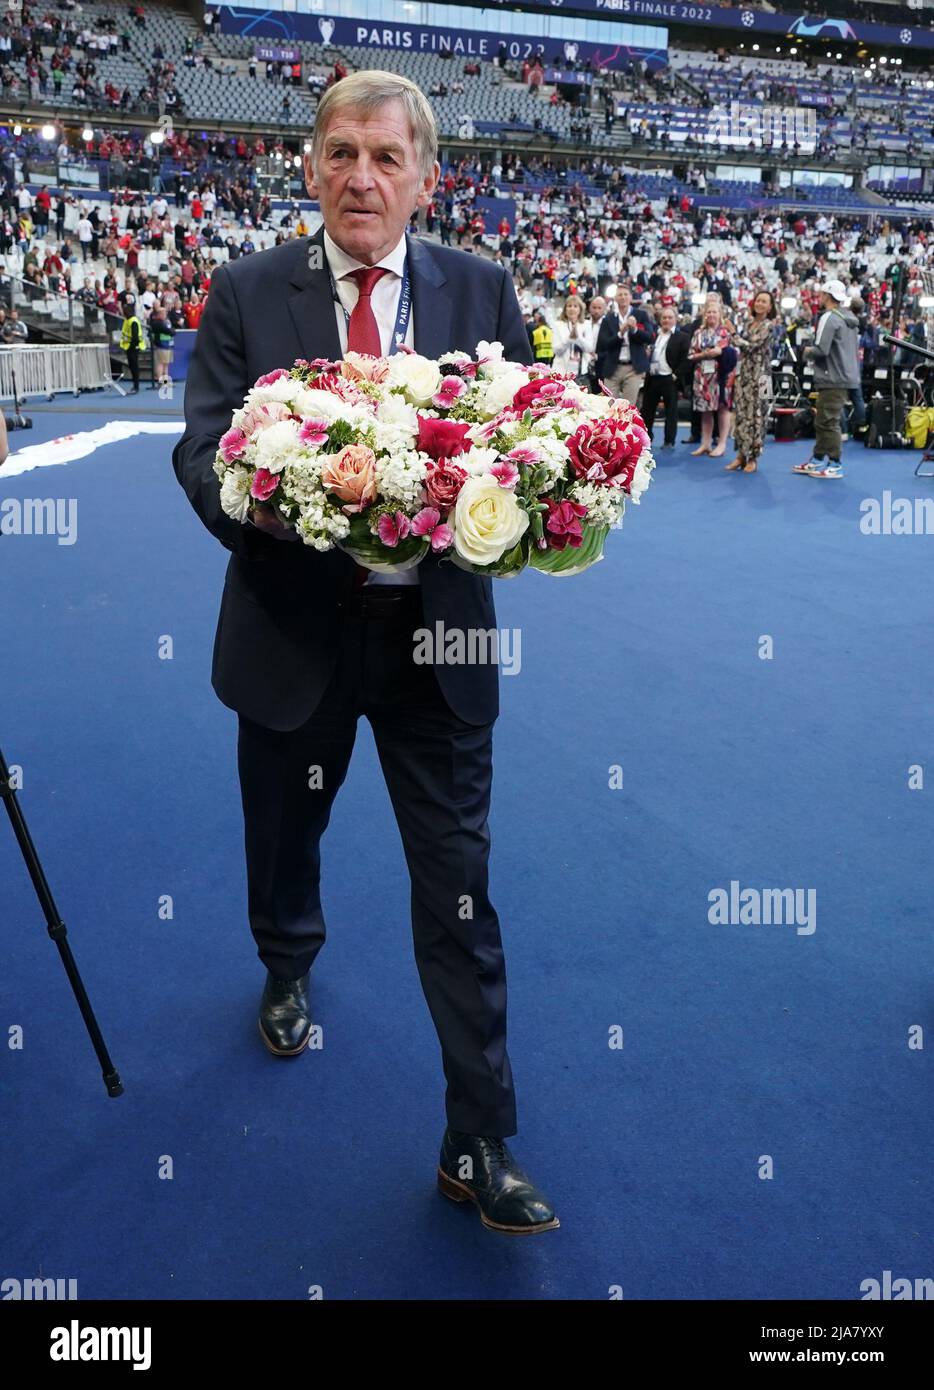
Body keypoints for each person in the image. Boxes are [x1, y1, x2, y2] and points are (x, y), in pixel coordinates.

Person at [172, 69, 558, 1236]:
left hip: (436, 642)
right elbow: (200, 454)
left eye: (387, 158)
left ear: (427, 179)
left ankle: (476, 1135)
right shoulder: (246, 291)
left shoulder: (482, 292)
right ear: (310, 167)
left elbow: (533, 441)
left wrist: (535, 500)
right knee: (287, 830)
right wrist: (270, 501)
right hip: (293, 633)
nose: (361, 176)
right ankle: (286, 958)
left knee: (459, 890)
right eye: (341, 152)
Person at [793, 279, 860, 480]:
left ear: (827, 296)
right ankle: (818, 459)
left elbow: (821, 349)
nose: (819, 297)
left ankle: (834, 462)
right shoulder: (848, 318)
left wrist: (805, 351)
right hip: (844, 375)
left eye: (822, 294)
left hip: (832, 376)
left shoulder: (829, 318)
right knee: (824, 421)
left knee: (828, 422)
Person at [726, 290, 776, 474]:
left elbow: (751, 345)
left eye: (764, 301)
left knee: (757, 417)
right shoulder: (748, 323)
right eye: (758, 300)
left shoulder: (768, 325)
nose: (760, 304)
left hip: (763, 378)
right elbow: (743, 349)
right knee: (741, 415)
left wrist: (733, 334)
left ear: (770, 307)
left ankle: (753, 458)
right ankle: (740, 455)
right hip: (745, 375)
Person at [595, 285, 656, 404]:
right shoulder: (608, 318)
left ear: (631, 297)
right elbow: (604, 344)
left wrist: (634, 330)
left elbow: (650, 337)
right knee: (609, 405)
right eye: (620, 295)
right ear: (615, 298)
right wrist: (620, 333)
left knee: (628, 407)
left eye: (625, 294)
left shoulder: (641, 315)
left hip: (633, 367)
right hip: (613, 367)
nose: (623, 297)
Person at [688, 300, 733, 457]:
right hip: (702, 376)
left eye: (714, 312)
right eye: (709, 312)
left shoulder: (726, 332)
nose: (711, 315)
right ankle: (705, 443)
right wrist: (704, 355)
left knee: (722, 409)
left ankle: (721, 443)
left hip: (722, 376)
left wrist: (721, 352)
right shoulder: (698, 333)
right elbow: (691, 355)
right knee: (704, 411)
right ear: (704, 315)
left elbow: (735, 353)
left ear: (720, 314)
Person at [640, 305, 689, 450]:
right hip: (653, 377)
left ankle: (669, 440)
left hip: (669, 378)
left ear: (675, 320)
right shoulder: (654, 336)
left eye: (670, 317)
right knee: (647, 410)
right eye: (664, 318)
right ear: (660, 320)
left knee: (671, 411)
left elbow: (686, 359)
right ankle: (646, 438)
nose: (666, 320)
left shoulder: (682, 337)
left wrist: (675, 375)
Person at [550, 294, 594, 379]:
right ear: (565, 309)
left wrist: (578, 338)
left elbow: (589, 348)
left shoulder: (586, 324)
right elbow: (556, 350)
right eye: (569, 306)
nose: (572, 309)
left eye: (575, 306)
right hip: (561, 372)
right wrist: (569, 339)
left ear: (580, 309)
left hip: (580, 372)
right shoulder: (558, 325)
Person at [119, 297, 146, 392]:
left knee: (134, 366)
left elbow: (135, 337)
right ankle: (135, 385)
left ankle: (136, 386)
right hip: (129, 346)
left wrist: (131, 346)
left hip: (133, 346)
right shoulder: (128, 320)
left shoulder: (133, 321)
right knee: (132, 366)